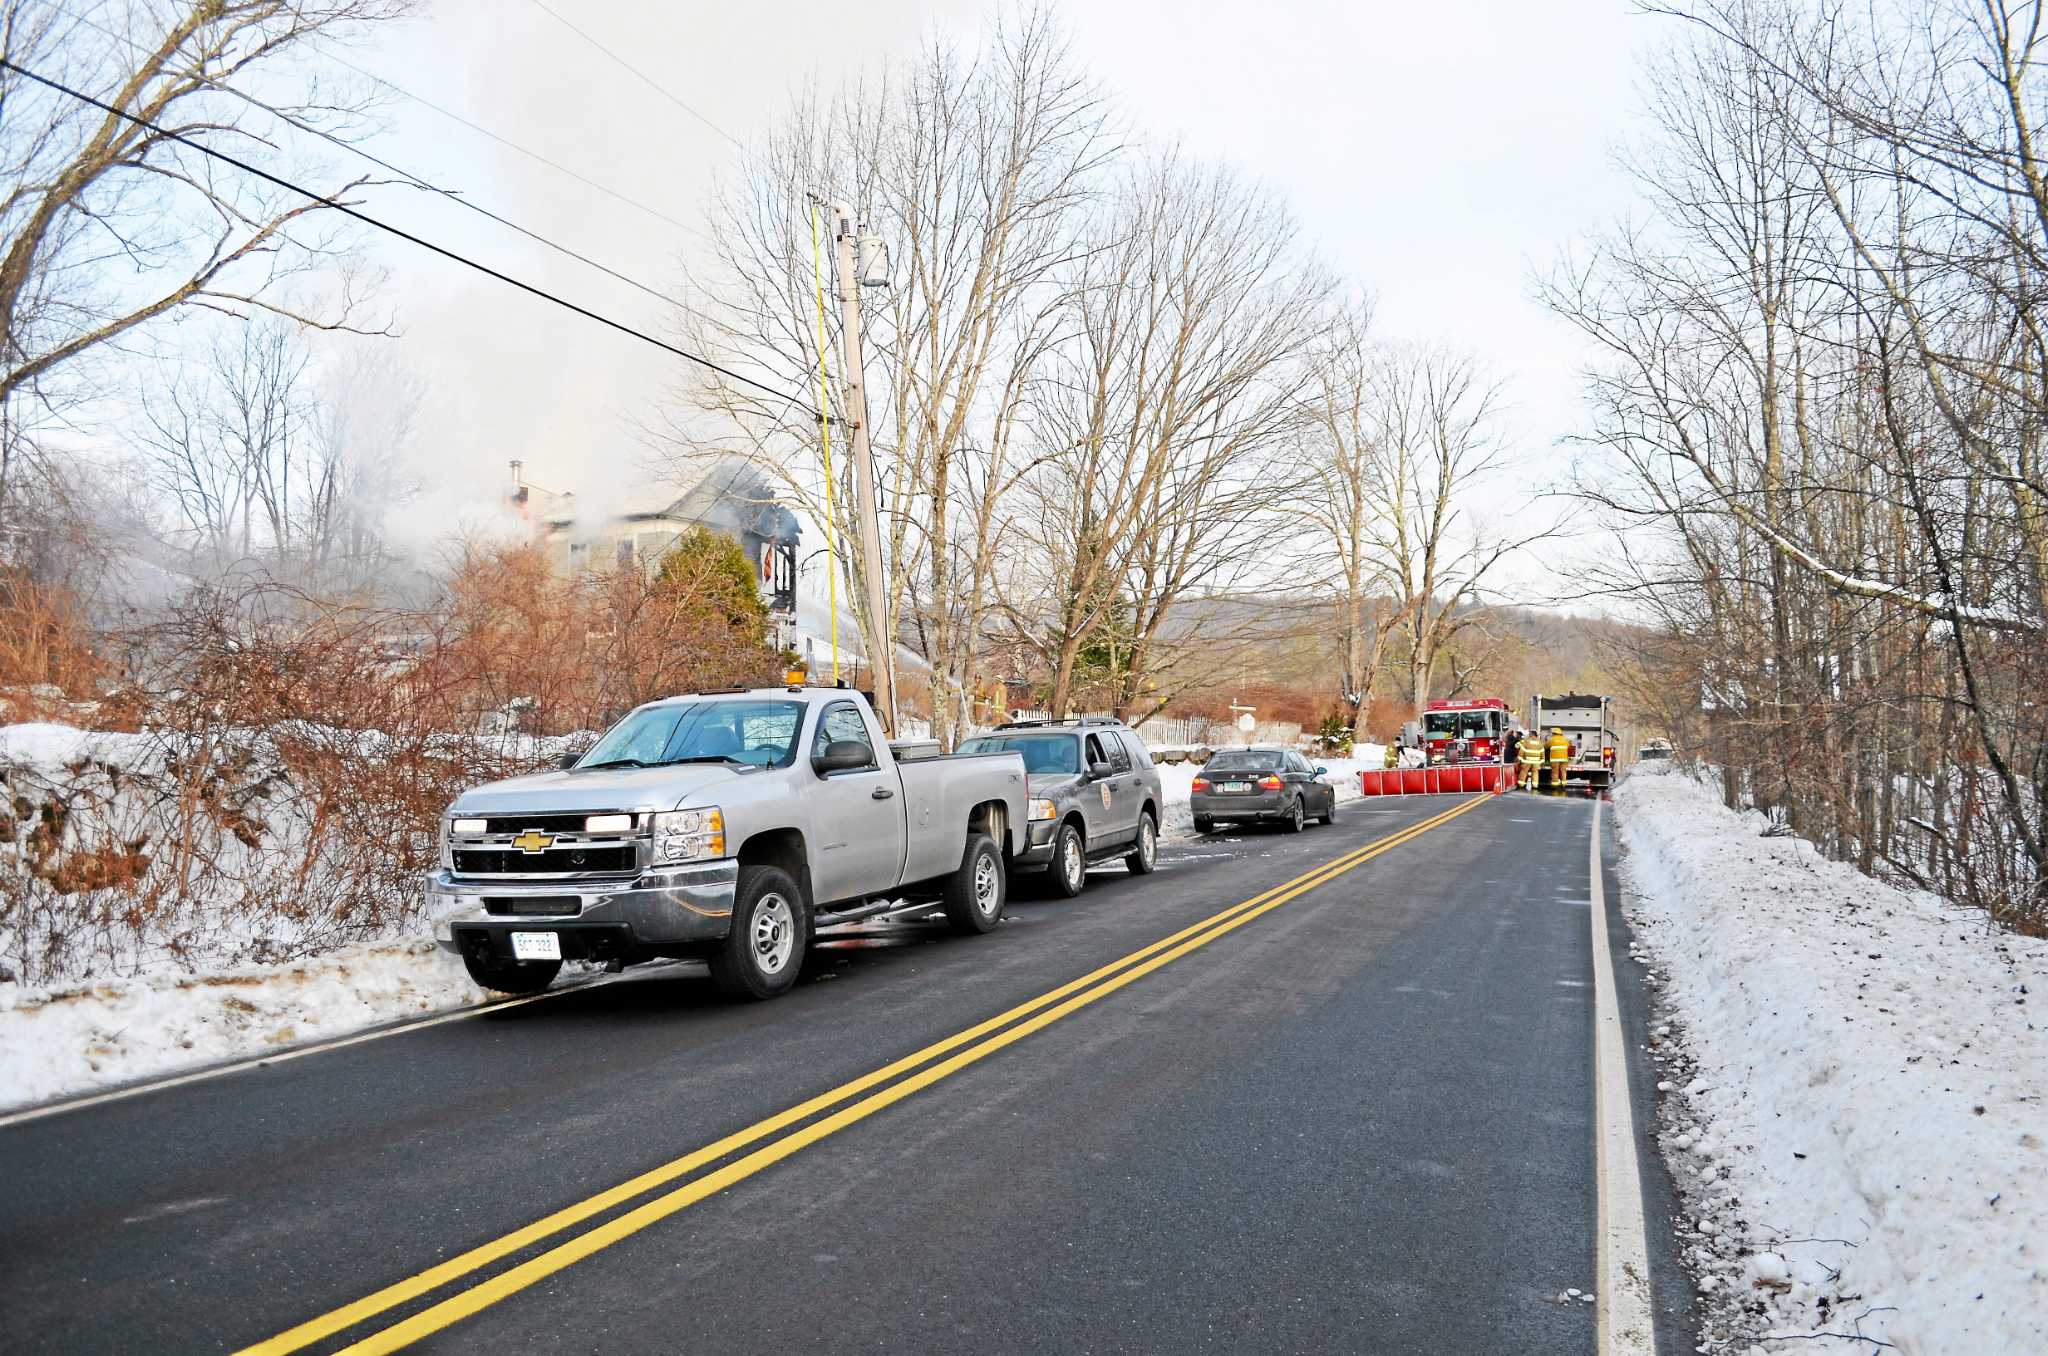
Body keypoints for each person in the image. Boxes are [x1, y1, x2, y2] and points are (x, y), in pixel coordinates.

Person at [1545, 726, 1573, 791]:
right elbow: (1569, 745)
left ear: (1554, 733)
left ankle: (1555, 786)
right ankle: (1563, 785)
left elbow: (1545, 746)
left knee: (1555, 772)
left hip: (1555, 759)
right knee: (1563, 771)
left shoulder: (1552, 739)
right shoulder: (1565, 739)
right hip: (1564, 759)